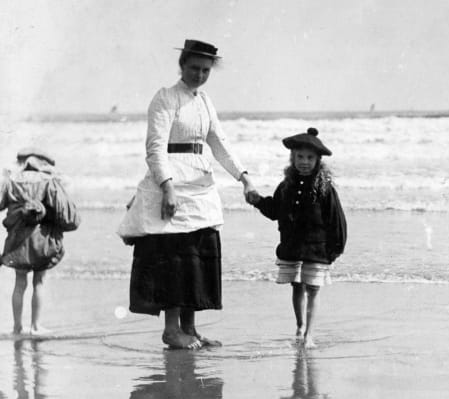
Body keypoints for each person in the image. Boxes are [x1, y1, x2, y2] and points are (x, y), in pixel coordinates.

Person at [117, 39, 256, 349]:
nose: (199, 75)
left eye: (205, 70)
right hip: (171, 180)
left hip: (200, 184)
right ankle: (171, 330)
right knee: (174, 258)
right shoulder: (166, 98)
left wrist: (244, 178)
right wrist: (167, 187)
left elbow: (219, 143)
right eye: (194, 68)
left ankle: (190, 330)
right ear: (182, 67)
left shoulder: (204, 101)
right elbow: (154, 147)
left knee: (197, 255)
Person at [246, 128, 347, 349]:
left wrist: (333, 251)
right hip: (292, 247)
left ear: (318, 160)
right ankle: (300, 326)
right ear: (292, 158)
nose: (304, 162)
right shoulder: (286, 186)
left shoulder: (325, 188)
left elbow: (337, 221)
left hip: (317, 250)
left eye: (310, 158)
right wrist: (257, 201)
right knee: (297, 285)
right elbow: (274, 211)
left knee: (313, 288)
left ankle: (310, 333)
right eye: (300, 157)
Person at [2, 148, 80, 335]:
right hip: (41, 239)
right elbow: (63, 212)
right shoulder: (48, 182)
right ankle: (36, 326)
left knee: (19, 282)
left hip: (16, 239)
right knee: (39, 281)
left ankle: (17, 327)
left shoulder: (12, 181)